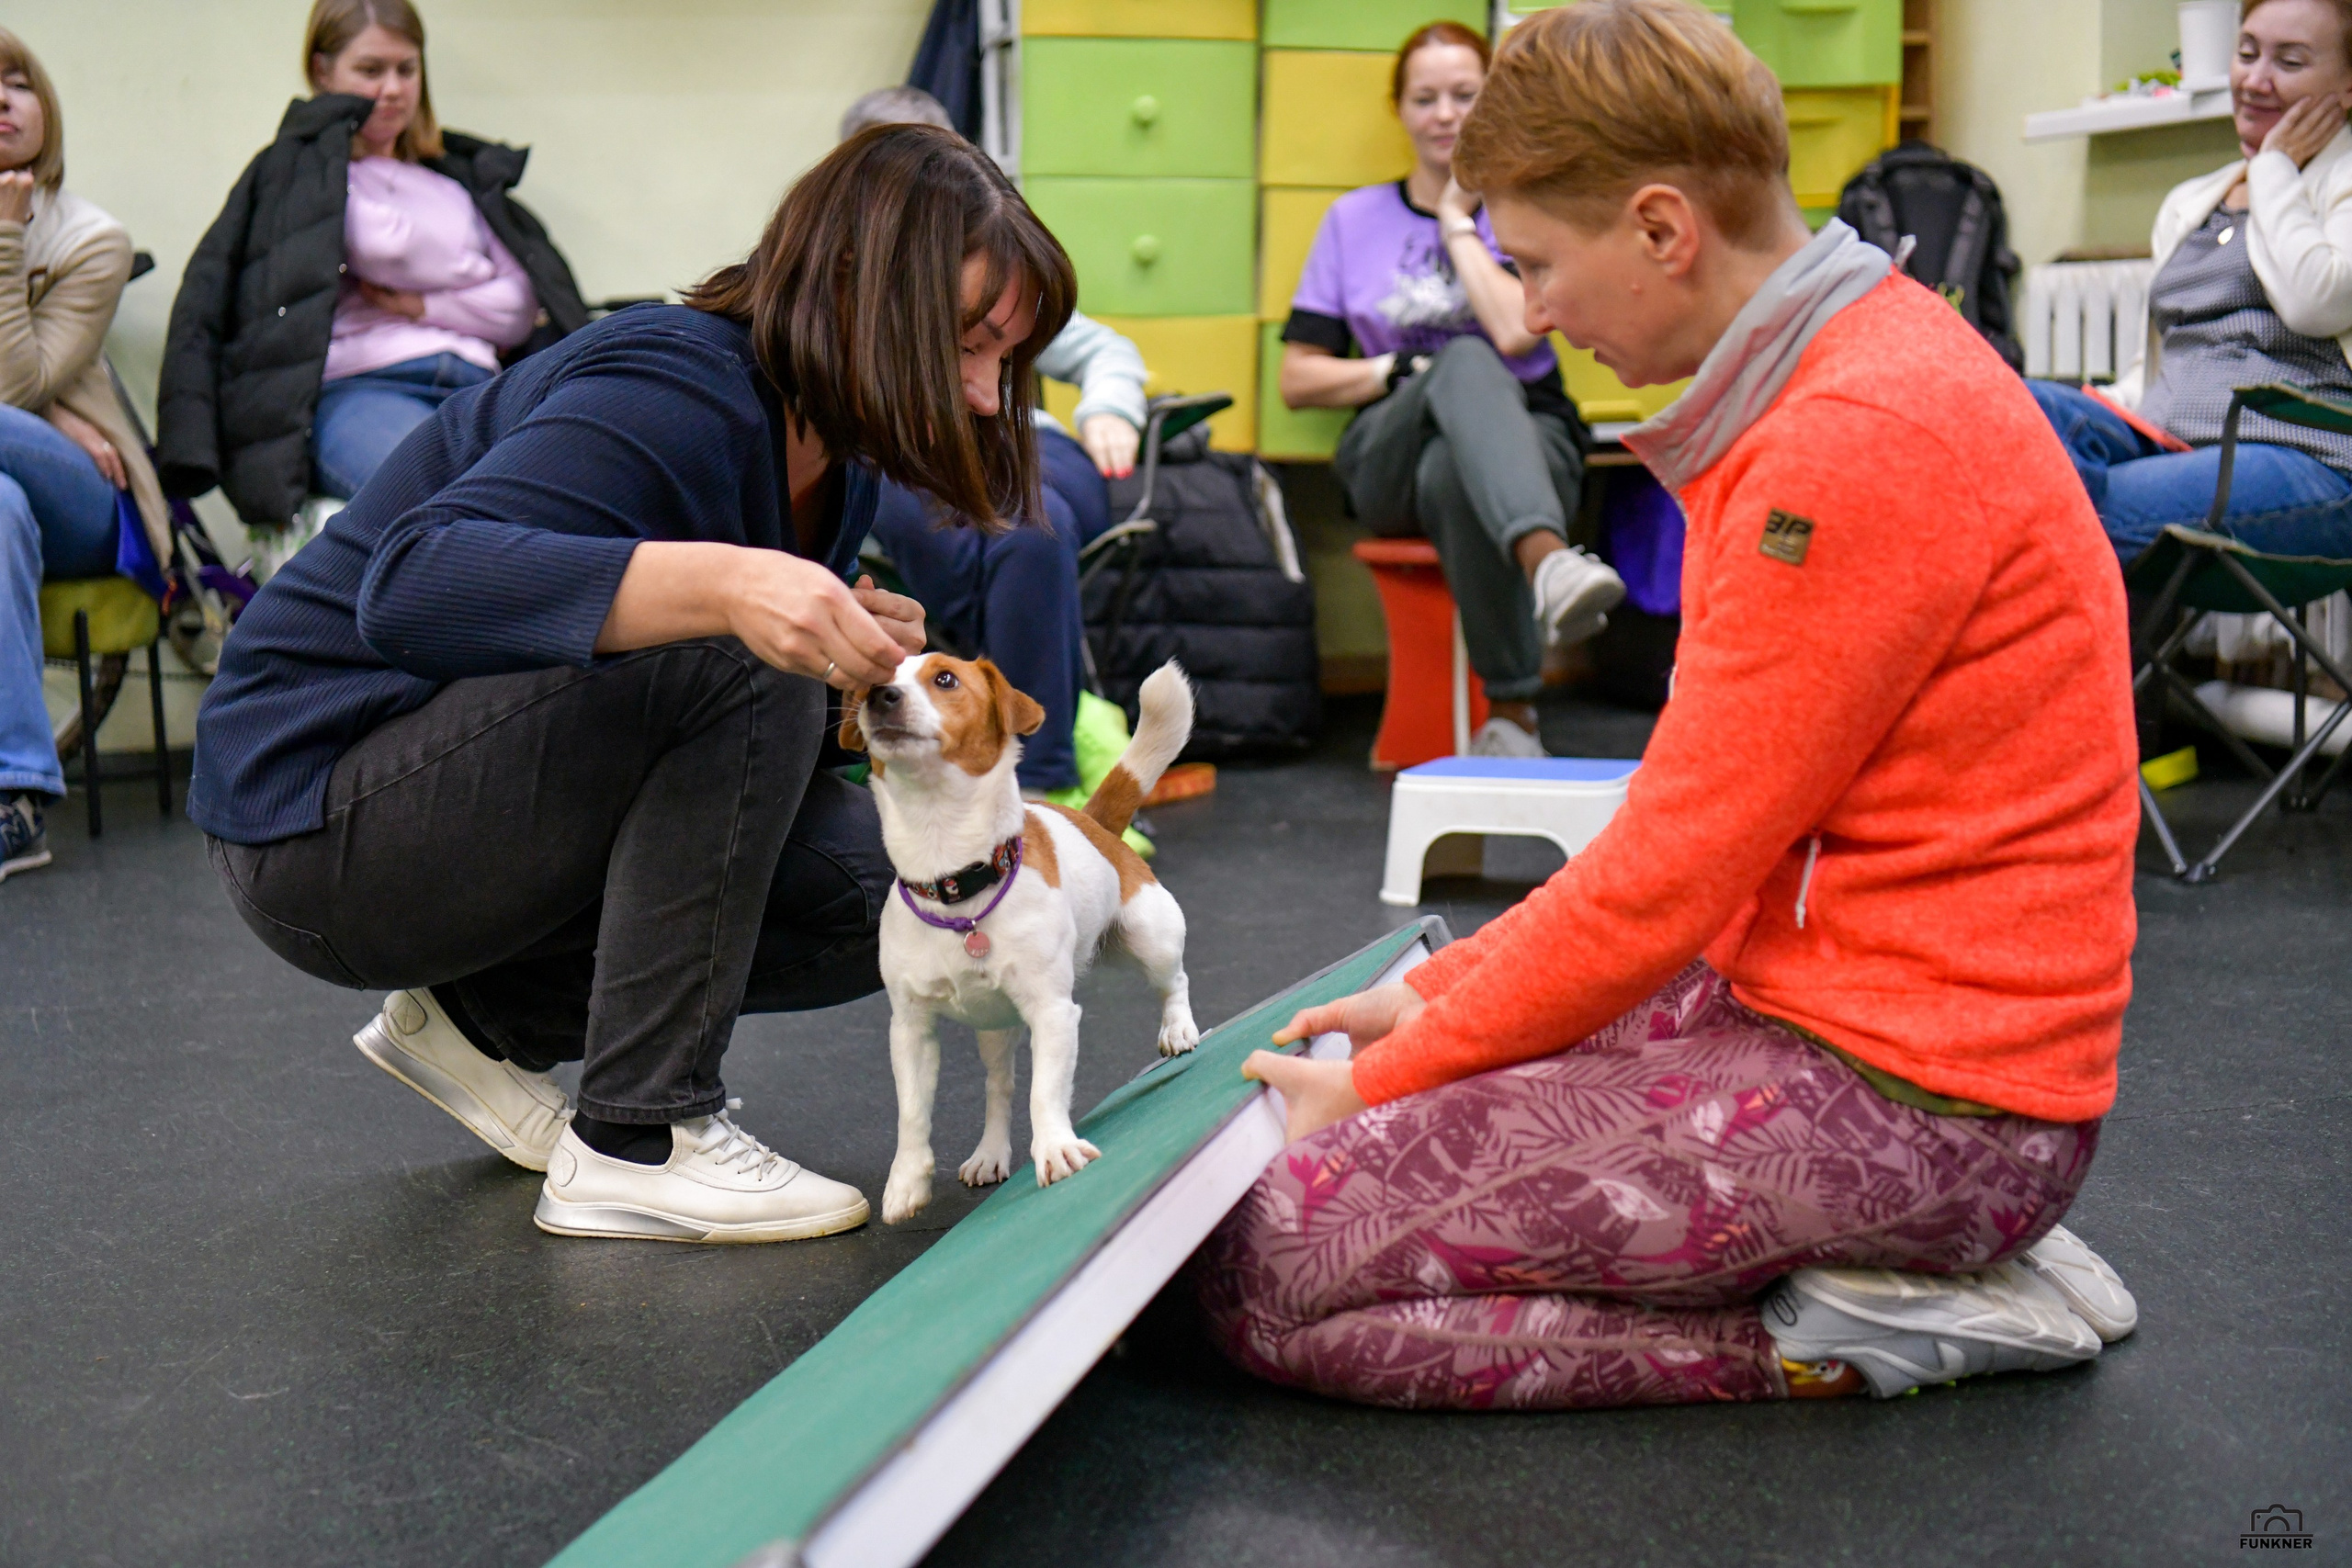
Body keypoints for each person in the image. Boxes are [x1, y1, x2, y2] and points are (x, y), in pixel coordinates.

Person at [1207, 0, 2143, 1409]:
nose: (1530, 312)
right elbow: (1688, 852)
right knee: (1414, 1094)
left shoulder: (1847, 440)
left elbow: (1663, 877)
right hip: (1851, 1016)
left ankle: (1846, 1328)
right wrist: (1431, 1000)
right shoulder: (1845, 367)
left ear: (1661, 229)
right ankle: (1904, 1261)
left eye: (1536, 263)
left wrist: (1400, 1072)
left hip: (1938, 1112)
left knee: (1269, 1258)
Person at [189, 124, 1076, 1243]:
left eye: (1007, 358)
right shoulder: (672, 383)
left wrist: (832, 631)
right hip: (313, 821)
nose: (990, 398)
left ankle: (484, 1024)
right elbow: (411, 586)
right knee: (730, 650)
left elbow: (687, 732)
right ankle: (637, 1141)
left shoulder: (830, 459)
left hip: (451, 802)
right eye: (967, 344)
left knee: (903, 899)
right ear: (859, 289)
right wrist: (731, 587)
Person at [1278, 20, 1624, 758]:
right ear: (1399, 109)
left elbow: (1517, 332)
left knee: (1453, 470)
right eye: (1426, 97)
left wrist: (1456, 221)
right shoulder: (1352, 220)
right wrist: (1395, 373)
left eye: (1466, 95)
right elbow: (1297, 377)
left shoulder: (1530, 209)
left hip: (1528, 441)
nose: (1445, 114)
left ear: (1492, 103)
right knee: (1458, 371)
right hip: (1389, 448)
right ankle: (1549, 566)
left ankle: (1510, 721)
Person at [158, 0, 588, 530]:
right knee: (452, 508)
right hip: (361, 390)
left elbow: (519, 309)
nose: (392, 89)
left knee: (570, 501)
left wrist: (416, 303)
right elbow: (377, 246)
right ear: (322, 70)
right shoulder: (294, 174)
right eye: (370, 70)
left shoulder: (458, 180)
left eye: (406, 69)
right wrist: (469, 280)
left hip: (482, 390)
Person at [842, 85, 1146, 796]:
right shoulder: (843, 300)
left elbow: (1106, 351)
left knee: (1034, 529)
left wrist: (1109, 408)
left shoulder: (996, 268)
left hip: (1025, 444)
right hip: (899, 461)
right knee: (988, 541)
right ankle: (1013, 739)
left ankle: (1035, 783)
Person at [2032, 0, 2352, 564]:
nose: (2255, 80)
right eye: (2246, 53)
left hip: (2305, 456)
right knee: (2023, 412)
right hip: (2166, 441)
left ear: (2347, 85)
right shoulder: (2190, 201)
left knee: (2065, 517)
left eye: (2291, 62)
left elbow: (2315, 303)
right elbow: (2159, 367)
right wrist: (2092, 410)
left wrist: (2273, 169)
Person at [0, 28, 174, 884]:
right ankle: (19, 798)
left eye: (16, 81)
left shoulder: (91, 238)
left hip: (90, 500)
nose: (2, 99)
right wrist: (61, 410)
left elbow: (13, 381)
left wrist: (4, 235)